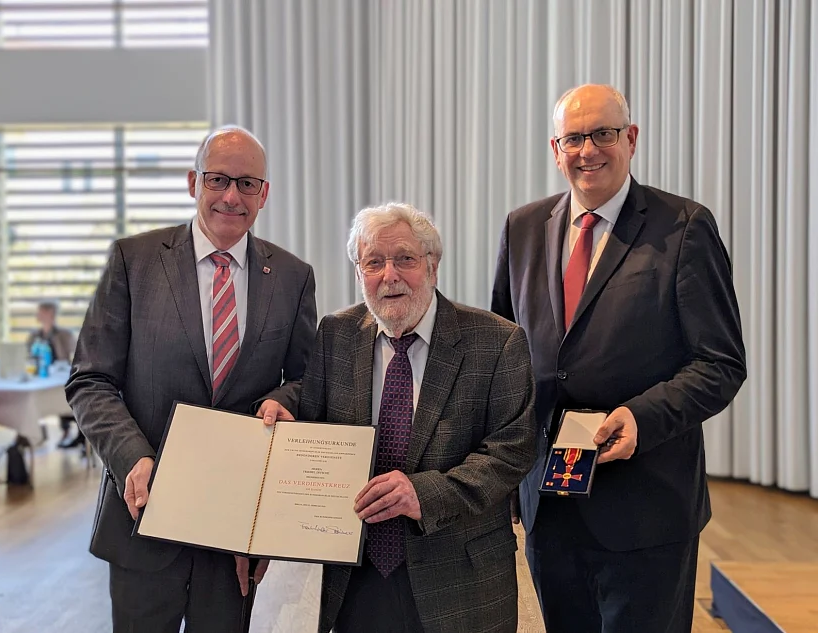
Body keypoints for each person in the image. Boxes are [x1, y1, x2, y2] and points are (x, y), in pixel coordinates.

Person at [491, 83, 747, 633]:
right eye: (574, 138)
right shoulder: (523, 229)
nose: (589, 151)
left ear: (630, 139)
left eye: (603, 134)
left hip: (647, 508)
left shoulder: (684, 228)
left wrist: (641, 417)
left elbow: (721, 362)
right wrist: (507, 479)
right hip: (551, 503)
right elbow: (505, 360)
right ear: (555, 150)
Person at [65, 126, 317, 632]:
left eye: (247, 184)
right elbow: (89, 379)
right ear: (192, 182)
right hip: (144, 517)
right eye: (217, 179)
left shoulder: (293, 277)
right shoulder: (133, 262)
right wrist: (132, 456)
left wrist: (283, 401)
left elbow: (308, 379)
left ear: (264, 193)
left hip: (235, 532)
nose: (231, 196)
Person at [297, 203, 538, 633]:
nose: (389, 275)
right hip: (355, 575)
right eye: (373, 262)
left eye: (404, 259)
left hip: (460, 578)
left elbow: (512, 451)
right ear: (359, 274)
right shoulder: (334, 335)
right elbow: (314, 436)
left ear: (432, 267)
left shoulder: (497, 340)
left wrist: (422, 493)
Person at [26, 301, 79, 448]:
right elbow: (28, 357)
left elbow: (76, 355)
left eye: (42, 311)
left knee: (64, 393)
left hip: (60, 376)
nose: (38, 315)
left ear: (51, 314)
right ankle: (32, 433)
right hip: (39, 377)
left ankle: (73, 432)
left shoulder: (64, 334)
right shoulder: (34, 336)